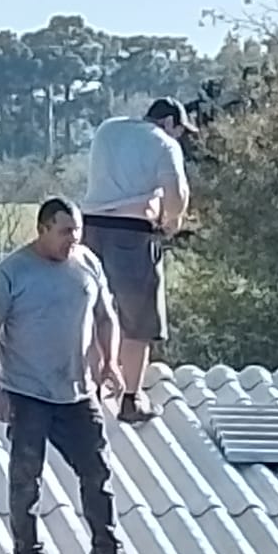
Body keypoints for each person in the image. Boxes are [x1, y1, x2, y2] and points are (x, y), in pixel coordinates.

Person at [0, 197, 137, 554]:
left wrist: (110, 362)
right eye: (64, 232)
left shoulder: (87, 263)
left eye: (76, 232)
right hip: (27, 391)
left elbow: (106, 317)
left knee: (97, 475)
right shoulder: (13, 272)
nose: (72, 240)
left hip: (77, 392)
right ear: (43, 230)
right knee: (26, 482)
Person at [80, 96, 196, 423]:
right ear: (170, 123)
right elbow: (177, 194)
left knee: (93, 313)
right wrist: (171, 221)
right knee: (138, 321)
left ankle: (90, 392)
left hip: (90, 228)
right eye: (179, 130)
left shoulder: (108, 129)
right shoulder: (164, 143)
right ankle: (130, 398)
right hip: (132, 231)